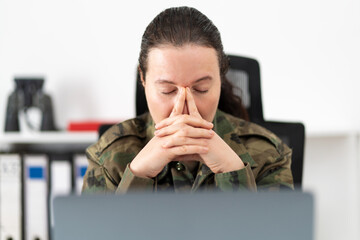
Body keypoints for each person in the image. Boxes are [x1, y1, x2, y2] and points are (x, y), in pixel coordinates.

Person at [82, 6, 293, 193]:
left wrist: (232, 172)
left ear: (221, 79)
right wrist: (138, 175)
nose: (183, 107)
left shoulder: (269, 156)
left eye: (201, 89)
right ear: (143, 79)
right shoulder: (108, 157)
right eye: (167, 90)